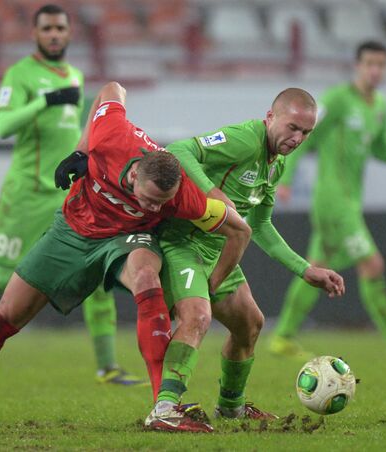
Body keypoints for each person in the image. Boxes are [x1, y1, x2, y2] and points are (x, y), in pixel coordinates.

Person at [0, 81, 251, 433]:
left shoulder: (183, 194)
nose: (154, 205)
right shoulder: (113, 136)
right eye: (149, 198)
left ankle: (163, 410)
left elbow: (238, 229)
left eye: (161, 203)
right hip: (70, 232)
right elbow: (110, 89)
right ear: (134, 174)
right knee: (2, 320)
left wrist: (214, 281)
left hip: (123, 239)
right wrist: (81, 150)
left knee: (146, 276)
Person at [0, 4, 142, 386]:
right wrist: (45, 101)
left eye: (60, 28)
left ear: (69, 34)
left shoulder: (74, 75)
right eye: (47, 28)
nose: (54, 34)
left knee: (98, 272)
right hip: (26, 196)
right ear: (35, 34)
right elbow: (3, 125)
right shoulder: (20, 75)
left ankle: (107, 366)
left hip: (68, 194)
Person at [143, 88, 346, 432]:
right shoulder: (244, 139)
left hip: (218, 251)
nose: (297, 138)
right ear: (271, 117)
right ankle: (164, 408)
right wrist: (212, 191)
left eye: (306, 133)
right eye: (293, 127)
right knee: (197, 317)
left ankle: (231, 407)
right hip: (185, 243)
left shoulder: (275, 164)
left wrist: (305, 269)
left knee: (250, 323)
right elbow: (177, 151)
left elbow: (261, 226)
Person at [269, 41, 386, 361]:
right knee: (372, 263)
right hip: (332, 201)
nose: (375, 70)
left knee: (316, 268)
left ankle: (283, 336)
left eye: (381, 64)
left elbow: (381, 149)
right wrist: (285, 180)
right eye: (369, 63)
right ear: (357, 66)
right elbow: (303, 137)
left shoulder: (380, 105)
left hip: (351, 201)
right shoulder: (338, 100)